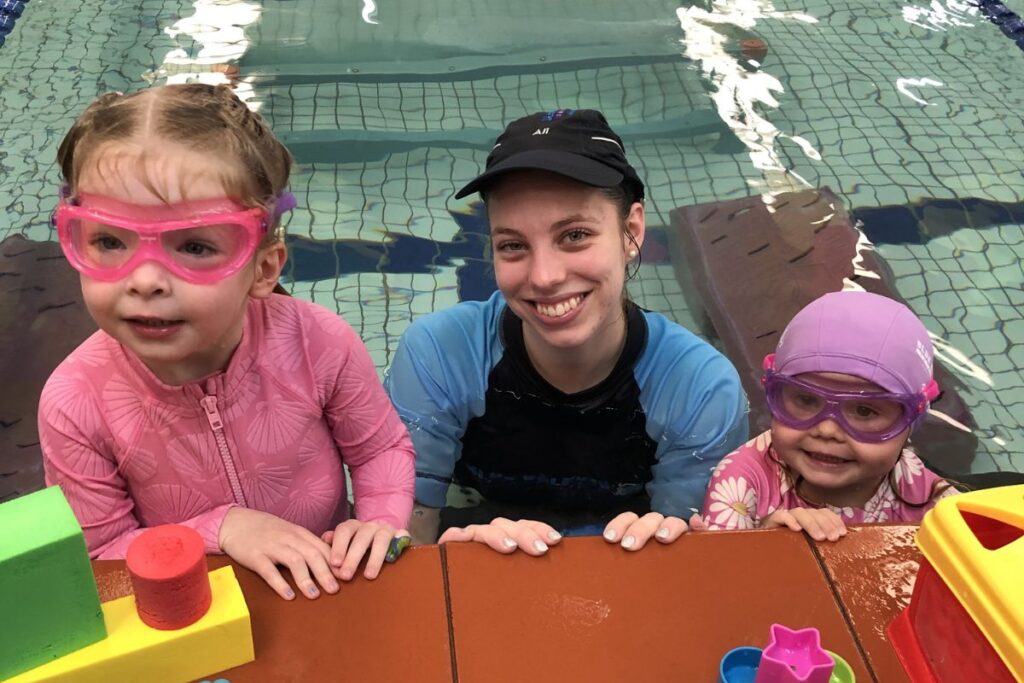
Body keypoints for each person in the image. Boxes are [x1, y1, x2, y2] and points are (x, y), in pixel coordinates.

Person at [38, 84, 415, 600]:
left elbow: (379, 450)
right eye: (109, 240)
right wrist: (222, 529)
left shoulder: (318, 342)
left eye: (194, 245)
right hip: (194, 609)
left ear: (262, 269)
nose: (144, 279)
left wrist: (377, 524)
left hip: (330, 590)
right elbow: (102, 555)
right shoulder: (74, 402)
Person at [384, 108, 748, 556]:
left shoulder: (699, 388)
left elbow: (690, 555)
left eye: (574, 235)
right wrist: (450, 557)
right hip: (478, 543)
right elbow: (404, 535)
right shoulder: (439, 357)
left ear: (631, 231)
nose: (545, 276)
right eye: (513, 245)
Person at [702, 291, 958, 540]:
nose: (827, 430)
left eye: (864, 410)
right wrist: (767, 543)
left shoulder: (929, 498)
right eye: (806, 399)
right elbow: (722, 579)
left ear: (911, 421)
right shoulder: (743, 481)